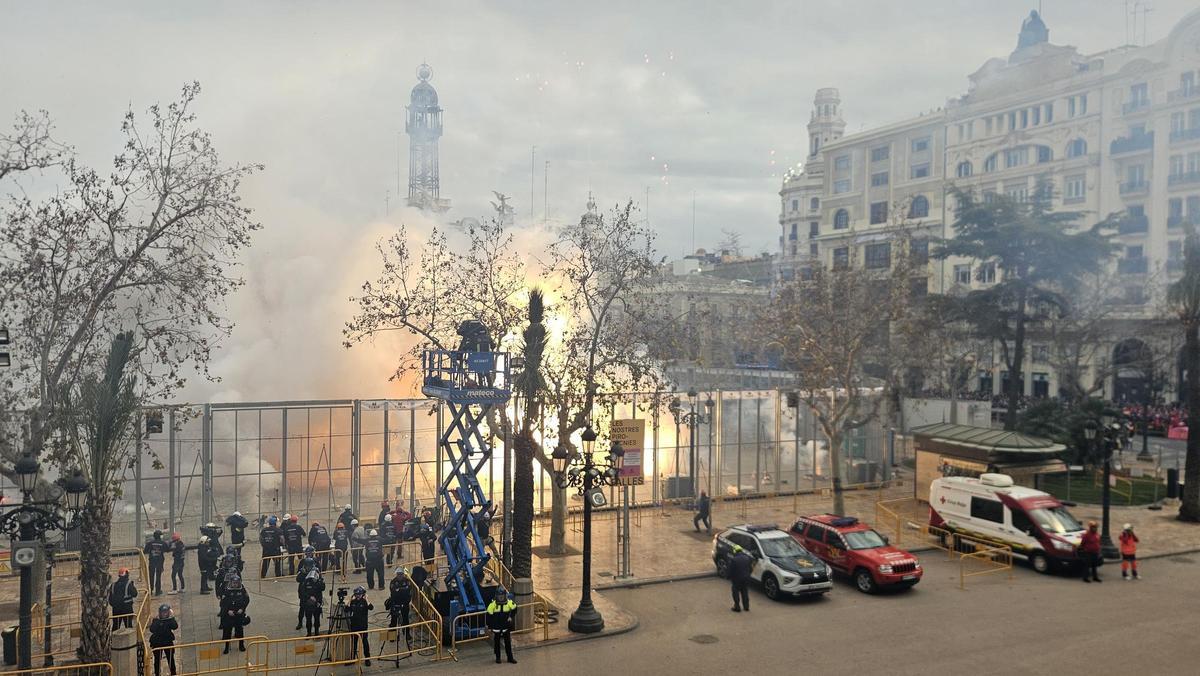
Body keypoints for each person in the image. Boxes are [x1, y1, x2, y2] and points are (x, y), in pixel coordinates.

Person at [219, 573, 250, 653]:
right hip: (229, 615)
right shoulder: (227, 591)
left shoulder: (242, 590)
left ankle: (241, 645)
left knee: (240, 630)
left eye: (237, 583)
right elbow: (222, 603)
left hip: (239, 614)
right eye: (234, 583)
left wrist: (242, 609)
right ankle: (226, 647)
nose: (235, 585)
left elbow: (246, 600)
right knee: (227, 631)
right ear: (231, 583)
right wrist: (227, 610)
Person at [486, 587, 517, 664]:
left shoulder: (509, 602)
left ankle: (510, 658)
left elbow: (515, 609)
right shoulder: (492, 605)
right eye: (499, 596)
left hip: (506, 627)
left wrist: (511, 617)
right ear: (496, 596)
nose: (501, 597)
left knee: (508, 643)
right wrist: (490, 627)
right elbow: (488, 616)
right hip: (497, 627)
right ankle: (498, 658)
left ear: (505, 595)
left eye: (502, 596)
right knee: (497, 644)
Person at [148, 603, 179, 676]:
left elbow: (175, 626)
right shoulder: (156, 620)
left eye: (166, 612)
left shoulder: (170, 620)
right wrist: (157, 620)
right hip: (157, 643)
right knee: (157, 660)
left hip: (168, 642)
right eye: (163, 612)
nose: (164, 614)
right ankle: (157, 674)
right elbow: (152, 629)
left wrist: (172, 617)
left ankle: (173, 673)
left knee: (171, 659)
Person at [347, 586, 373, 666]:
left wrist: (367, 599)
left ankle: (367, 659)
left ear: (363, 594)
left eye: (359, 594)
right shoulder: (353, 602)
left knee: (365, 643)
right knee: (354, 643)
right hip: (354, 626)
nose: (358, 595)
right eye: (356, 594)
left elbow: (371, 607)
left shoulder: (364, 602)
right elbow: (346, 609)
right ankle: (352, 658)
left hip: (363, 626)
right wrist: (349, 601)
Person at [385, 568, 412, 642]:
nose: (399, 576)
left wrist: (399, 590)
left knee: (406, 619)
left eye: (401, 574)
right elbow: (394, 592)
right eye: (398, 574)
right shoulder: (393, 582)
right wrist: (403, 590)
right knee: (393, 621)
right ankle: (392, 637)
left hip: (405, 603)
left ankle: (407, 634)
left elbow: (408, 590)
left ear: (403, 574)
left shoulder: (407, 581)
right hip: (395, 603)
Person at [300, 568, 325, 636]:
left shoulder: (319, 581)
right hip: (308, 604)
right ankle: (309, 633)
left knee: (317, 619)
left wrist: (320, 579)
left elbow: (323, 588)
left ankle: (317, 632)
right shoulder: (307, 581)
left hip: (317, 604)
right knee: (308, 619)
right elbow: (303, 591)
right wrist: (309, 597)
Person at [728, 544, 753, 612]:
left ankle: (737, 607)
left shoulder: (733, 560)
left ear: (735, 551)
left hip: (737, 579)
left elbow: (730, 570)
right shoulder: (747, 558)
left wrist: (729, 577)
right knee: (744, 592)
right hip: (746, 578)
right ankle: (746, 607)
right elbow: (751, 569)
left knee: (735, 592)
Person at [145, 529, 168, 596]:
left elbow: (145, 550)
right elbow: (167, 549)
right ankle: (158, 591)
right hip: (160, 561)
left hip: (152, 561)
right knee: (158, 576)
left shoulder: (150, 543)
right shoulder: (163, 543)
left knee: (151, 576)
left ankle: (150, 590)